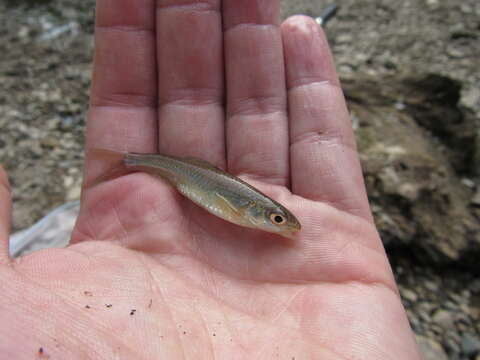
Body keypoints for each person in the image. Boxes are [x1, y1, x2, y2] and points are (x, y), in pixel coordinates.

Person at [0, 0, 422, 358]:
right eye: (276, 219)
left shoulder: (249, 211)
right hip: (179, 174)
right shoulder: (241, 207)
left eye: (276, 220)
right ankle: (131, 160)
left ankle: (132, 160)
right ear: (256, 212)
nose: (279, 224)